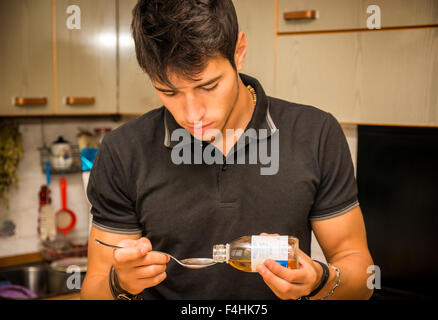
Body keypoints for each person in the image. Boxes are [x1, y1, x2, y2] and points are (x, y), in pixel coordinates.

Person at [80, 0, 374, 300]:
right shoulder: (123, 151)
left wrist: (320, 280)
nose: (192, 114)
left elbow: (362, 277)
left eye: (208, 86)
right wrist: (120, 283)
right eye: (169, 91)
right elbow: (94, 289)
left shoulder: (316, 134)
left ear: (239, 51)